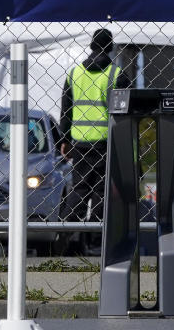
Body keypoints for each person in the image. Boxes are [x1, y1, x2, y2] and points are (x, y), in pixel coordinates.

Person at [59, 28, 131, 251]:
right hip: (105, 141)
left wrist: (64, 138)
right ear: (110, 48)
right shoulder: (116, 75)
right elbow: (125, 113)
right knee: (101, 189)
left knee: (79, 188)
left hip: (79, 141)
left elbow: (66, 109)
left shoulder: (74, 74)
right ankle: (96, 238)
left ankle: (67, 234)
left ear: (91, 46)